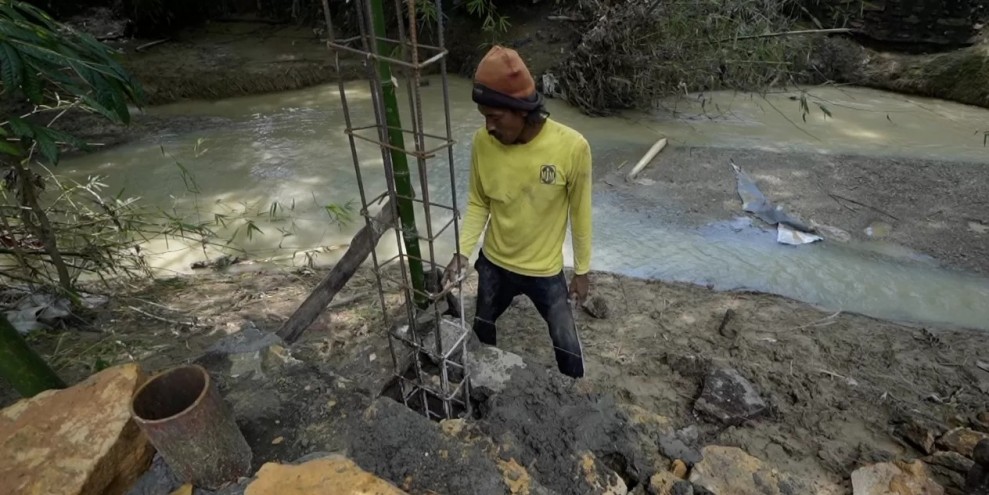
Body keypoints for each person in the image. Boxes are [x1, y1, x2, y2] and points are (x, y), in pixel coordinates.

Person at [443, 45, 593, 379]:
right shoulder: (483, 143)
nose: (488, 127)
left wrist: (582, 271)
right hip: (495, 263)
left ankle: (576, 394)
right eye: (484, 117)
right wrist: (462, 253)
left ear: (522, 111)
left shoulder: (572, 147)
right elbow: (479, 202)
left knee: (567, 344)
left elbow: (580, 214)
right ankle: (483, 384)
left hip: (544, 270)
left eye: (495, 118)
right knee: (482, 328)